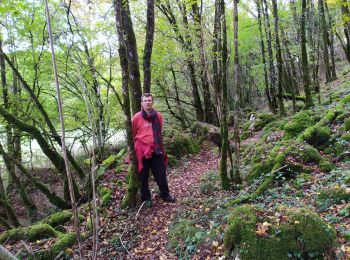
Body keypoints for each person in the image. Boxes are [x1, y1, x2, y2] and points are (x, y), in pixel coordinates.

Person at [131, 93, 176, 203]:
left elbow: (159, 131)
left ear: (152, 102)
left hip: (156, 148)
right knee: (143, 175)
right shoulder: (136, 117)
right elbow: (133, 134)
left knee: (160, 173)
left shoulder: (158, 116)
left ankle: (165, 195)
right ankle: (146, 199)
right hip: (142, 151)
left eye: (149, 100)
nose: (148, 102)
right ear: (142, 103)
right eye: (145, 100)